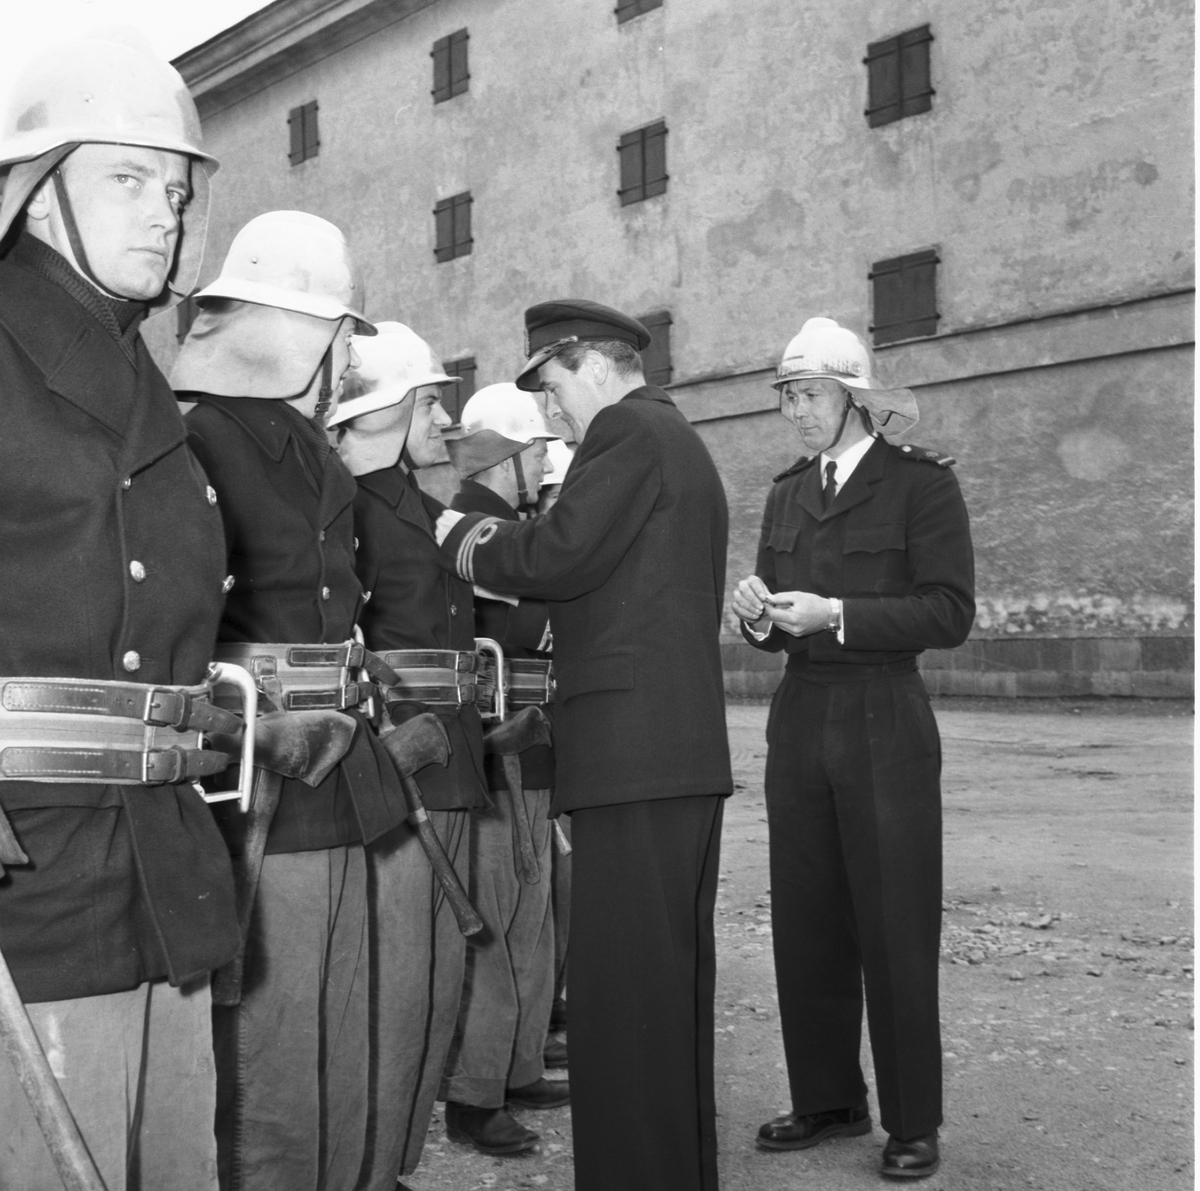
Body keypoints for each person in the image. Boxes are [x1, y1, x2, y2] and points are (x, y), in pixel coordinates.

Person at [0, 31, 240, 1190]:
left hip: (157, 859)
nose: (163, 215)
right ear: (39, 193)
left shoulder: (140, 367)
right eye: (129, 180)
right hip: (34, 871)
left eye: (178, 192)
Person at [436, 299, 732, 1191]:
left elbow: (557, 556)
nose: (553, 411)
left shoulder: (629, 433)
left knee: (626, 999)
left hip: (634, 757)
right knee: (659, 994)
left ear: (593, 364)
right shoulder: (671, 437)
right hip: (663, 754)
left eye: (554, 386)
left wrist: (461, 538)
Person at [174, 211, 407, 1191]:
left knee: (341, 1042)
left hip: (342, 776)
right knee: (272, 1066)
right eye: (342, 333)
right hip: (261, 787)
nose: (351, 357)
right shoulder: (196, 439)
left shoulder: (310, 448)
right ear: (298, 330)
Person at [731, 317, 975, 1180]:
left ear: (854, 397)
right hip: (801, 715)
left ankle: (913, 1120)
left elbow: (949, 611)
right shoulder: (787, 491)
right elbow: (775, 624)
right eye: (788, 396)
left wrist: (836, 614)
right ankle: (829, 1097)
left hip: (884, 715)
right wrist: (756, 615)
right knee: (806, 920)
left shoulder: (920, 486)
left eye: (810, 395)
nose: (796, 411)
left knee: (894, 921)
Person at [329, 322, 490, 1190]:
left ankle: (392, 1157)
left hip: (449, 755)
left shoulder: (420, 507)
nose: (444, 421)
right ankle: (369, 1163)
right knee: (395, 984)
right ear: (387, 408)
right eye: (430, 403)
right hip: (396, 769)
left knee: (432, 980)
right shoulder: (348, 505)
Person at [440, 384, 569, 1156]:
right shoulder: (469, 526)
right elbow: (535, 619)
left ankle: (516, 1067)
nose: (544, 463)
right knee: (494, 920)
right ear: (507, 456)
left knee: (531, 916)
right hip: (498, 748)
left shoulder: (514, 529)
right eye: (536, 450)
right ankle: (474, 1091)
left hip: (534, 743)